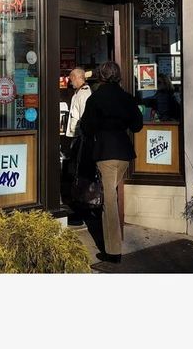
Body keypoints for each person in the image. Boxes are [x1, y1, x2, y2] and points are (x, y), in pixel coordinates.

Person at [80, 60, 143, 263]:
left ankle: (113, 251)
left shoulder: (95, 98)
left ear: (102, 76)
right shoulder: (126, 98)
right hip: (124, 153)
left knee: (109, 201)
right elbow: (137, 126)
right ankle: (112, 245)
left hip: (105, 153)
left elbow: (87, 128)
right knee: (110, 196)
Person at [61, 67, 92, 226]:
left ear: (77, 77)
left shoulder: (84, 94)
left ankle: (81, 213)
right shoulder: (79, 93)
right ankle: (79, 211)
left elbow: (84, 119)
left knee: (78, 176)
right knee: (74, 175)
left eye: (71, 78)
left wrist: (81, 140)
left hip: (81, 140)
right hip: (77, 139)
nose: (70, 81)